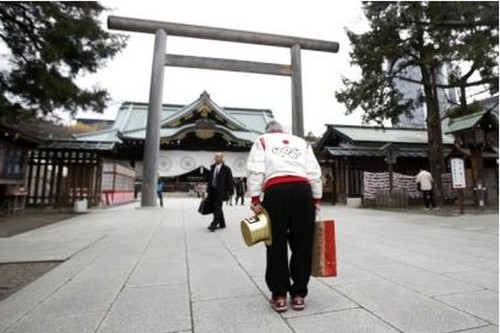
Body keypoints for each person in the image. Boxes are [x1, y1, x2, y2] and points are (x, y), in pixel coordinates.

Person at [246, 121, 322, 313]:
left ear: (268, 131)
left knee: (275, 243)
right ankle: (298, 295)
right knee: (302, 243)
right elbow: (314, 172)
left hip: (276, 190)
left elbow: (256, 169)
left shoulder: (262, 140)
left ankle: (279, 295)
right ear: (282, 131)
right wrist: (316, 199)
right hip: (303, 191)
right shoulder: (301, 142)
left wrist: (255, 198)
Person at [206, 152, 234, 232]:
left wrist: (230, 193)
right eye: (215, 157)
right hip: (212, 191)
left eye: (218, 157)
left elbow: (230, 181)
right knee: (216, 207)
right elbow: (210, 180)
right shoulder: (212, 167)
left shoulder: (226, 169)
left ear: (222, 158)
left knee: (217, 207)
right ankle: (222, 223)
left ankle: (214, 224)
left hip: (221, 192)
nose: (216, 158)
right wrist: (208, 190)